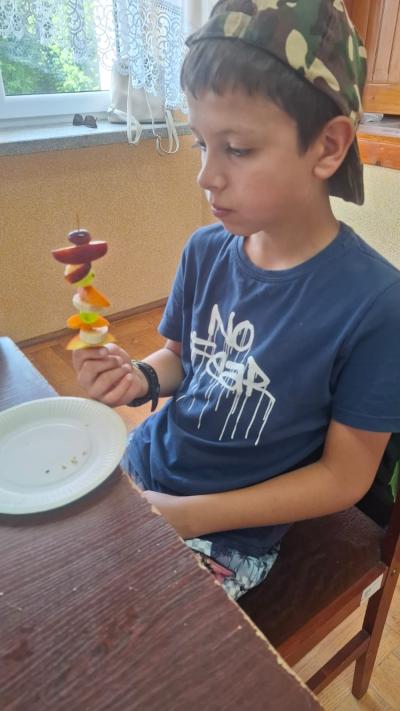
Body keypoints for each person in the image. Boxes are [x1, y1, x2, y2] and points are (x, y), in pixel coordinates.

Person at [73, 0, 400, 601]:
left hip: (226, 534)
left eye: (238, 149)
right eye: (202, 143)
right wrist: (139, 378)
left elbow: (342, 477)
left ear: (327, 147)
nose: (206, 176)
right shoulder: (206, 250)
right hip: (145, 462)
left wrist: (187, 516)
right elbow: (183, 360)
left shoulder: (377, 305)